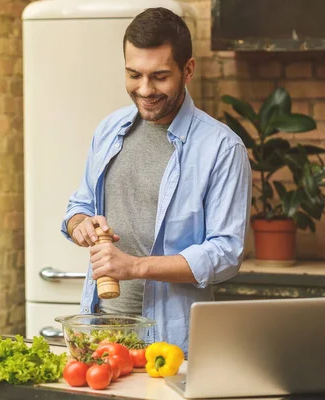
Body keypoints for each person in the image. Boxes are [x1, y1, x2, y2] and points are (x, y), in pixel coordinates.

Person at [60, 7, 251, 354]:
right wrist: (81, 226)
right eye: (134, 75)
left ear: (188, 70)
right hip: (101, 332)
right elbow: (80, 206)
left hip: (171, 343)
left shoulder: (222, 148)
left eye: (160, 76)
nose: (145, 89)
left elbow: (225, 253)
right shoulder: (109, 130)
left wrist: (133, 267)